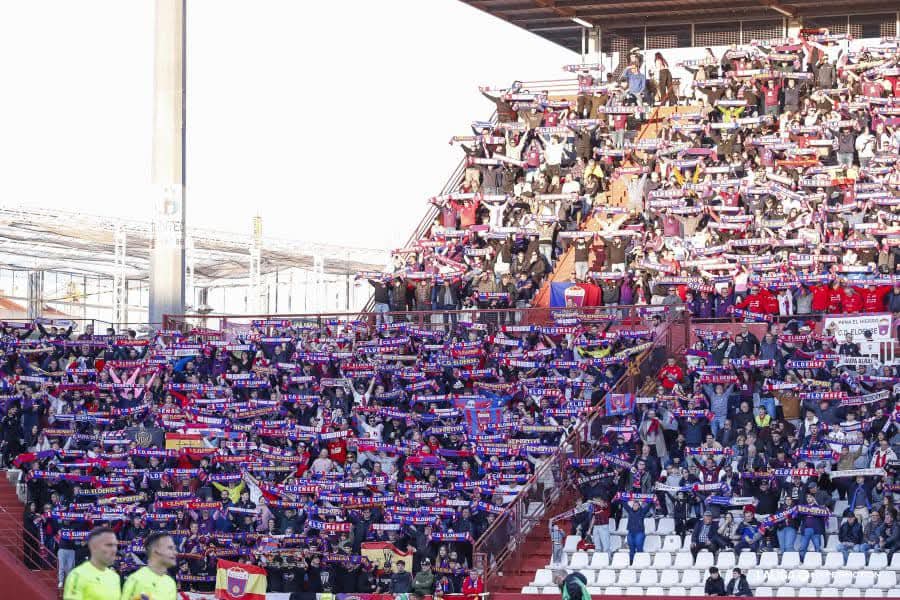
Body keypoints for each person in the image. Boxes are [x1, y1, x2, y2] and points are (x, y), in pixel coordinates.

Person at [62, 527, 120, 600]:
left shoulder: (114, 577)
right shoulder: (77, 575)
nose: (113, 549)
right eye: (108, 545)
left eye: (114, 545)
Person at [120, 532, 178, 600]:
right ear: (156, 551)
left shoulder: (170, 582)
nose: (175, 552)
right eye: (170, 548)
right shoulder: (135, 580)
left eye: (174, 548)